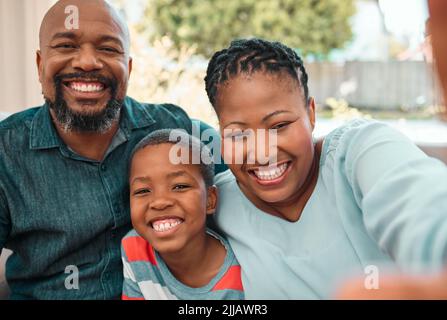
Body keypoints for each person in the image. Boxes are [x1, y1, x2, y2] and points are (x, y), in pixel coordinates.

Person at [0, 0, 223, 299]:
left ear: (128, 68)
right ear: (40, 66)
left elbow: (251, 173)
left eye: (108, 49)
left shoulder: (174, 130)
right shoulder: (5, 152)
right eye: (66, 46)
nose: (88, 62)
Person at [204, 38, 447, 299]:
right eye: (238, 134)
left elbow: (425, 208)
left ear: (310, 113)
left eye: (279, 126)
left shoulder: (361, 151)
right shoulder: (217, 202)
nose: (261, 152)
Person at [121, 129, 243, 300]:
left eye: (180, 186)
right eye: (143, 190)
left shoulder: (242, 278)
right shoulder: (134, 247)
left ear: (210, 200)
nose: (159, 202)